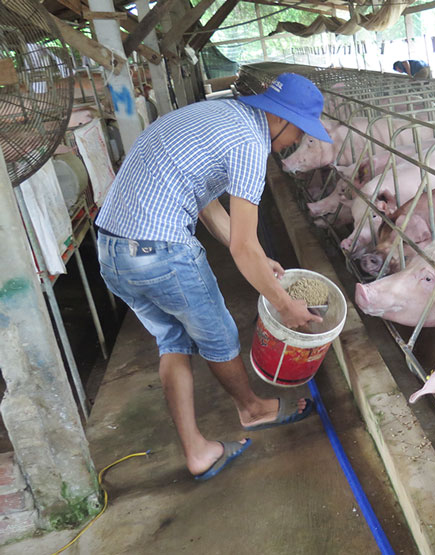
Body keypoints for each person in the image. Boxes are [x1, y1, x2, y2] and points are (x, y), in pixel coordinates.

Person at [95, 73, 332, 481]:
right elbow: (244, 247)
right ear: (283, 120)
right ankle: (253, 409)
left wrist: (260, 260)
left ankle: (198, 451)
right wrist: (284, 303)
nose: (296, 142)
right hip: (160, 252)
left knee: (173, 342)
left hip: (113, 251)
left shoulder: (217, 114)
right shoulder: (250, 144)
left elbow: (205, 205)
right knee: (219, 337)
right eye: (299, 132)